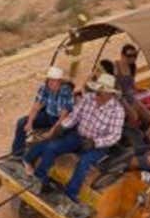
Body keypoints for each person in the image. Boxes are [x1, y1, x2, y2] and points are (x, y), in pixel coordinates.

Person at [27, 73, 125, 204]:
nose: (96, 95)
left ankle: (70, 194)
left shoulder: (117, 111)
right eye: (96, 91)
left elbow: (115, 136)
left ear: (110, 94)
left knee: (84, 162)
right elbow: (75, 116)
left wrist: (94, 143)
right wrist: (62, 126)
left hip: (98, 145)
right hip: (79, 136)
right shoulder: (88, 98)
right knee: (52, 147)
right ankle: (39, 179)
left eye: (100, 93)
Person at [10, 66, 74, 159]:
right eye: (49, 80)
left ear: (59, 81)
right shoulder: (44, 87)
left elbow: (64, 115)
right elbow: (36, 106)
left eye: (53, 80)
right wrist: (29, 122)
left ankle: (35, 157)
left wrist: (52, 130)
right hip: (48, 115)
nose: (50, 83)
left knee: (53, 137)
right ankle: (17, 153)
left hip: (60, 120)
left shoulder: (66, 92)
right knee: (22, 122)